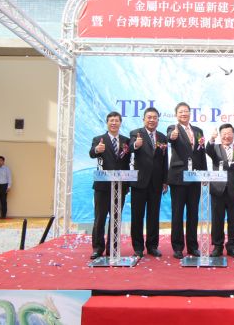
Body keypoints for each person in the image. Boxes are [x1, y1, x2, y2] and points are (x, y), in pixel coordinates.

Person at [167, 102, 207, 259]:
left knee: (193, 213)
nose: (184, 114)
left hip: (195, 178)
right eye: (180, 112)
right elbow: (171, 138)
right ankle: (177, 247)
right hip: (178, 178)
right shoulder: (173, 128)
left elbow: (201, 153)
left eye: (186, 111)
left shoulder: (198, 131)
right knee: (177, 213)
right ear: (176, 114)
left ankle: (192, 246)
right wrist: (173, 136)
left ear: (190, 114)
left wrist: (203, 174)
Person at [89, 111, 131, 260]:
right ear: (107, 123)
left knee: (116, 218)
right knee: (100, 218)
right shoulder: (99, 139)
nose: (114, 123)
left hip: (120, 187)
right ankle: (97, 248)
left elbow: (128, 163)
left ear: (120, 123)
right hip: (102, 187)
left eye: (116, 120)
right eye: (111, 120)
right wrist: (96, 150)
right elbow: (92, 153)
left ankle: (112, 248)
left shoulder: (126, 141)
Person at [129, 107, 168, 258]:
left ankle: (152, 246)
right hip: (139, 182)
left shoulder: (163, 137)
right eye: (149, 117)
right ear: (144, 119)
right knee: (137, 216)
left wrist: (165, 180)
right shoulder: (135, 133)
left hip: (156, 183)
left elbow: (165, 160)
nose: (152, 120)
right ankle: (138, 248)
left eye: (154, 117)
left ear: (158, 120)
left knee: (153, 216)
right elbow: (131, 149)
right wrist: (136, 145)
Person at [206, 124, 234, 258]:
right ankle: (217, 247)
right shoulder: (215, 148)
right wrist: (211, 139)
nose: (227, 136)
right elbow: (208, 149)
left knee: (233, 220)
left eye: (229, 133)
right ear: (220, 134)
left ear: (233, 134)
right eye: (224, 133)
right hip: (218, 190)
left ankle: (232, 247)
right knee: (217, 220)